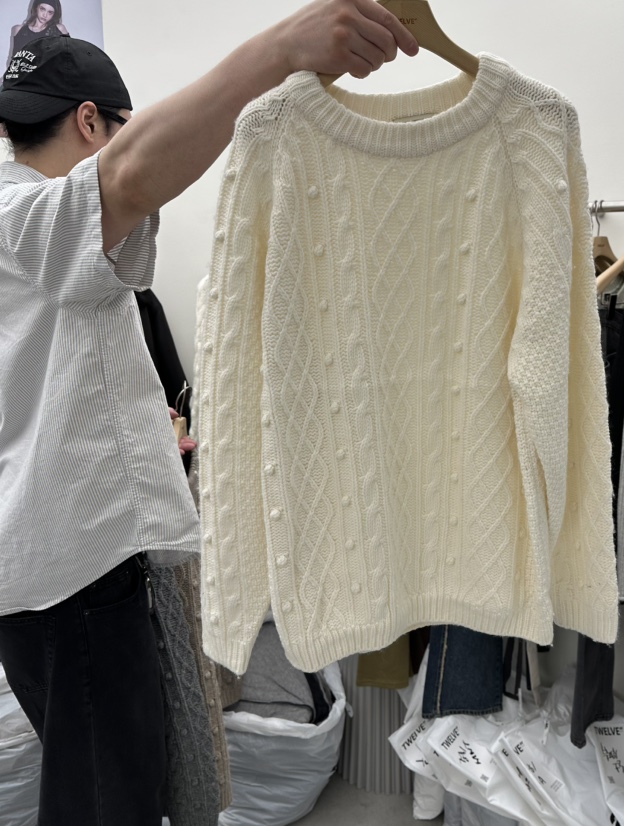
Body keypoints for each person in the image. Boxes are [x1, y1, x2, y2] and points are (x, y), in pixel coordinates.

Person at [0, 2, 417, 823]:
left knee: (107, 779)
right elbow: (128, 177)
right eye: (118, 128)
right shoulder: (26, 223)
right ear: (90, 122)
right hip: (74, 583)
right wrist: (283, 47)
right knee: (108, 798)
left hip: (54, 573)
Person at [8, 1, 69, 66]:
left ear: (54, 14)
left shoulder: (59, 29)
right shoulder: (19, 30)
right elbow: (14, 60)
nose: (45, 15)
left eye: (50, 12)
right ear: (36, 7)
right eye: (42, 9)